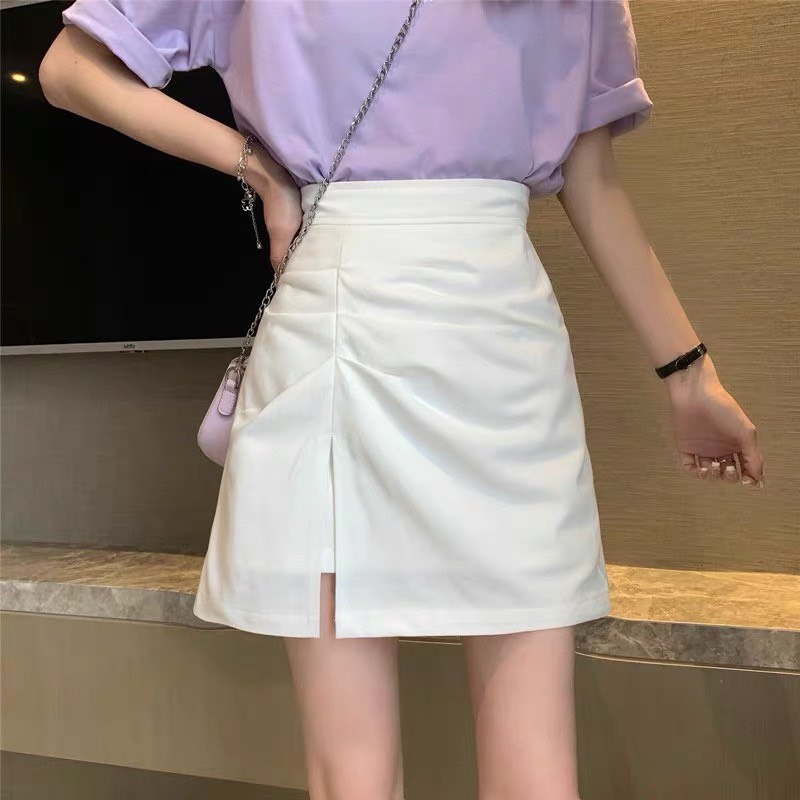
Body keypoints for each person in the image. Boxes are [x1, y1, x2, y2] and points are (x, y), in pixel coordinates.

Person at [40, 2, 765, 798]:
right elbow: (592, 184)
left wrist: (691, 375)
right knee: (514, 767)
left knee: (366, 772)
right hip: (477, 336)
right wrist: (690, 378)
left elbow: (71, 69)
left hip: (404, 330)